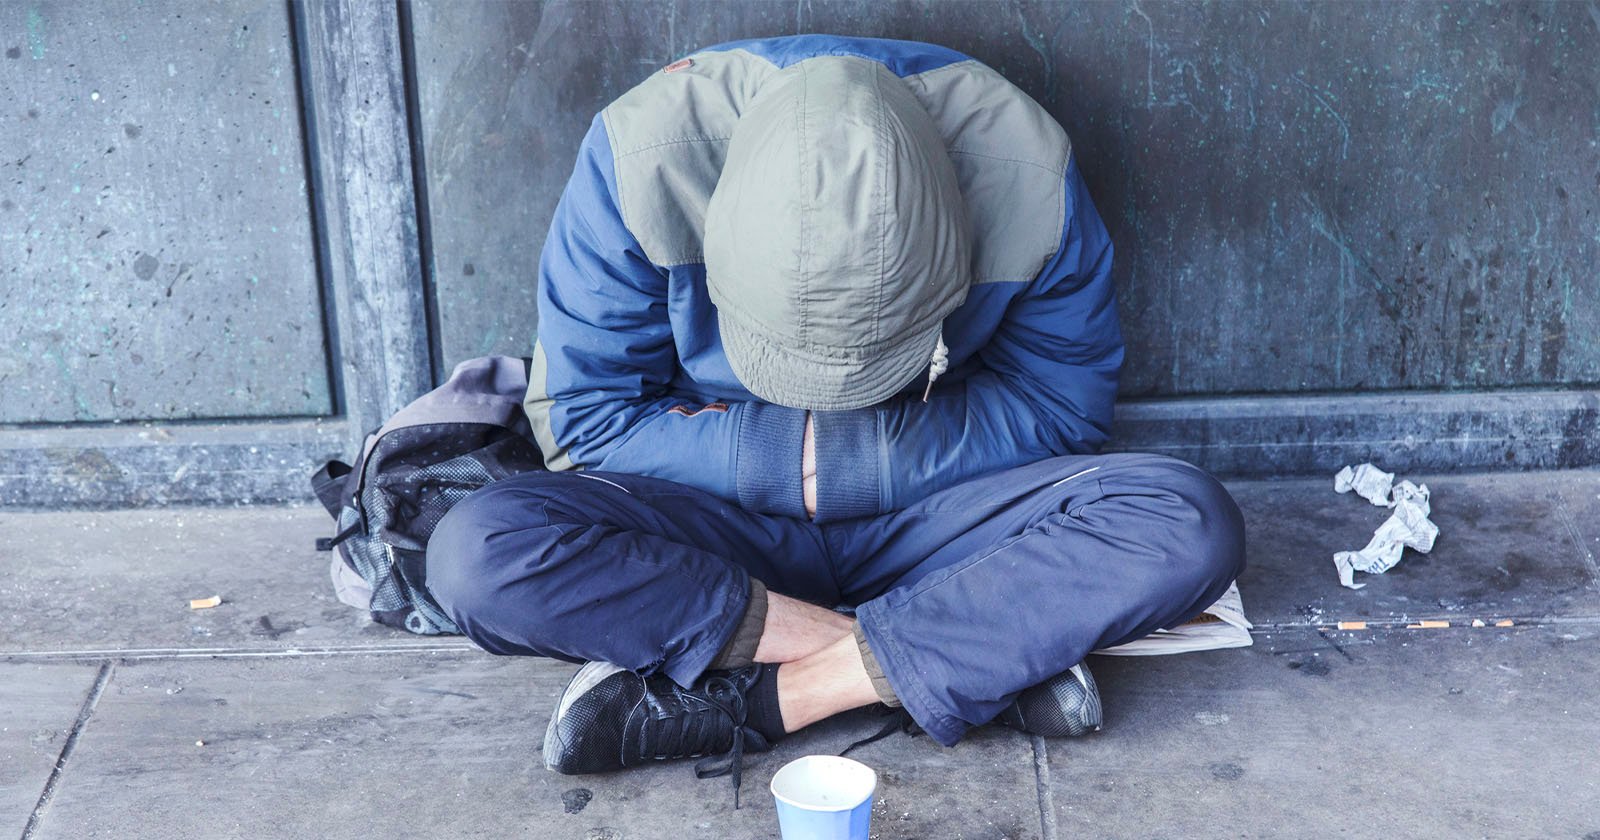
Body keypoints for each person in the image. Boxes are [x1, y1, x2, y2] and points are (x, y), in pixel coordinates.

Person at [425, 34, 1245, 794]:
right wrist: (778, 465)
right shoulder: (637, 164)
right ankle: (970, 656)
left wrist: (861, 465)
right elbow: (588, 422)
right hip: (718, 524)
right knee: (475, 554)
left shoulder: (1027, 169)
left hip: (934, 517)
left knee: (1189, 520)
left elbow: (1061, 409)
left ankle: (766, 700)